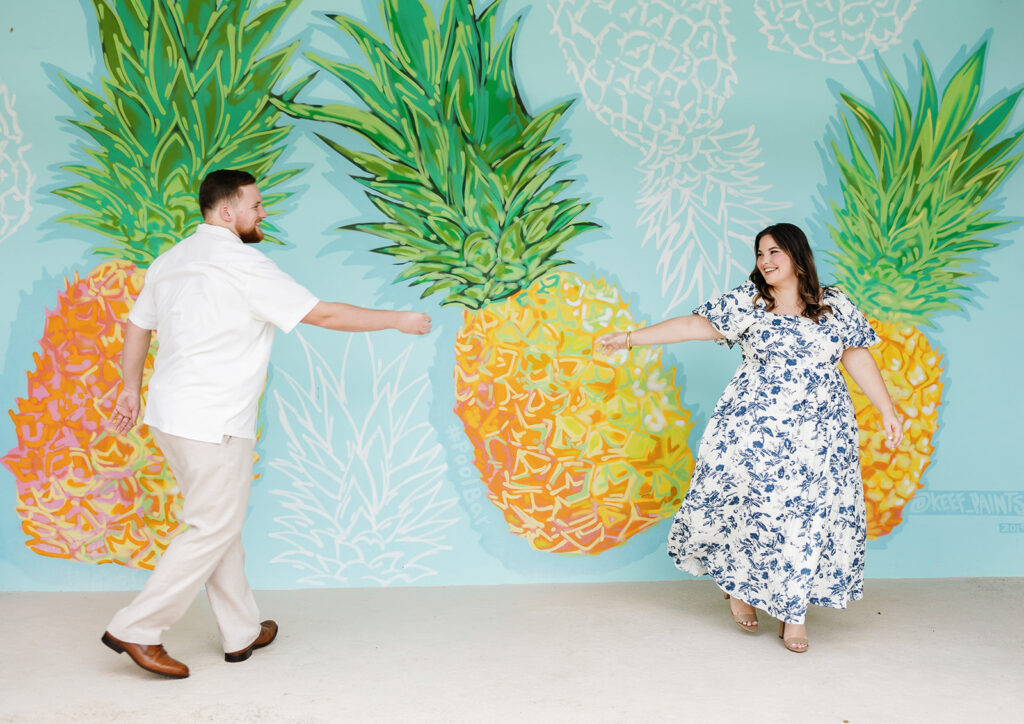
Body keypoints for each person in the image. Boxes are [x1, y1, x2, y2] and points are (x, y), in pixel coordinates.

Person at [102, 169, 432, 678]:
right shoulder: (242, 264)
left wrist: (129, 388)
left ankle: (241, 631)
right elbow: (323, 316)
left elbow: (137, 323)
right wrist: (397, 319)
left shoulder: (171, 260)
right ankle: (137, 628)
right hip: (213, 419)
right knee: (213, 524)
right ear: (227, 211)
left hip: (170, 415)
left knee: (219, 522)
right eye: (256, 205)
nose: (263, 212)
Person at [597, 222, 901, 653]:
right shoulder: (749, 302)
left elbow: (856, 355)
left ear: (797, 255)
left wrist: (886, 408)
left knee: (806, 518)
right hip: (754, 427)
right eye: (760, 254)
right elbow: (690, 325)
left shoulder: (834, 304)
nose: (766, 261)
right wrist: (628, 339)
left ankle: (793, 616)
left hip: (820, 433)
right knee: (752, 510)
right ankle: (740, 591)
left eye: (775, 251)